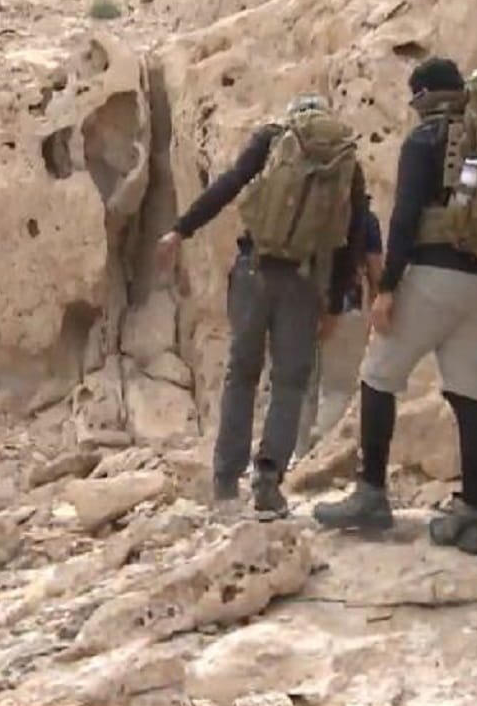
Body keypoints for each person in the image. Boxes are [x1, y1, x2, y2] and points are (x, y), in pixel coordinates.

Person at [313, 57, 477, 555]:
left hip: (432, 278)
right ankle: (473, 514)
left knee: (379, 376)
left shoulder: (426, 140)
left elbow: (404, 217)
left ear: (421, 96)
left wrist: (389, 287)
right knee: (468, 396)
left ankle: (371, 494)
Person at [156, 93, 368, 519]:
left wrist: (181, 230)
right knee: (290, 384)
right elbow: (354, 237)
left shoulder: (272, 140)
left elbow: (229, 185)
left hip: (255, 271)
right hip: (305, 283)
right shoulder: (346, 162)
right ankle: (268, 483)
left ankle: (226, 480)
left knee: (243, 374)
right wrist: (334, 303)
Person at [296, 207, 384, 459]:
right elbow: (376, 271)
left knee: (300, 387)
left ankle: (294, 457)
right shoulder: (364, 217)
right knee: (338, 390)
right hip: (346, 310)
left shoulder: (305, 205)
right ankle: (320, 454)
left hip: (298, 307)